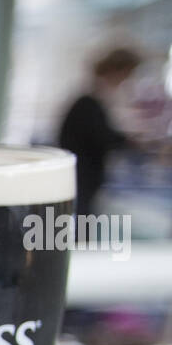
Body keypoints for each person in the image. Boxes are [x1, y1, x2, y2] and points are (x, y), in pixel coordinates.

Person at [58, 47, 140, 217]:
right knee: (80, 223)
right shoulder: (88, 103)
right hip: (80, 177)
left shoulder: (93, 102)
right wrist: (129, 141)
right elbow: (101, 137)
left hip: (84, 177)